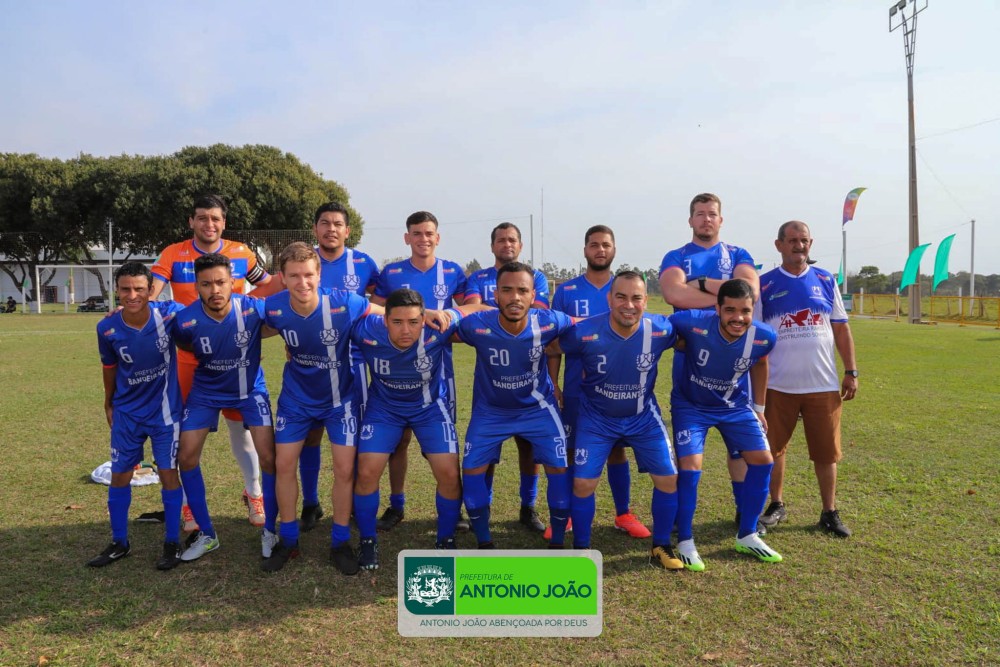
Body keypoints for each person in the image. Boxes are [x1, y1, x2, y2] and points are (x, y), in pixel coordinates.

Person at [150, 194, 280, 530]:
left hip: (236, 360)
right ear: (191, 221)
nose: (209, 224)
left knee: (242, 431)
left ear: (224, 222)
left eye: (216, 218)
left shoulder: (242, 253)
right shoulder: (173, 253)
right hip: (190, 362)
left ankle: (254, 494)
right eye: (202, 218)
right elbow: (152, 293)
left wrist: (246, 319)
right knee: (184, 438)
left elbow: (268, 284)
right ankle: (188, 506)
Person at [548, 270, 682, 569]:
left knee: (669, 479)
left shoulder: (660, 330)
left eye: (636, 298)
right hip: (596, 419)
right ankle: (581, 550)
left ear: (646, 301)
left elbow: (688, 341)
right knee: (583, 484)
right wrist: (551, 382)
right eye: (621, 297)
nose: (628, 305)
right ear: (609, 299)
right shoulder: (584, 331)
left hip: (642, 416)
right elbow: (552, 347)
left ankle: (661, 546)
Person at [261, 242, 379, 574]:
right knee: (284, 464)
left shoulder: (343, 302)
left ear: (319, 275)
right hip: (296, 401)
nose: (302, 283)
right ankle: (289, 539)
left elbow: (387, 313)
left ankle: (340, 541)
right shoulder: (273, 307)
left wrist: (430, 315)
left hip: (340, 402)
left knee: (344, 469)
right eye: (294, 276)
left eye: (308, 275)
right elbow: (245, 323)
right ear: (283, 278)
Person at [351, 289, 483, 570]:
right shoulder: (366, 330)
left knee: (449, 471)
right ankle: (368, 540)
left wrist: (509, 312)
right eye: (397, 322)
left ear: (424, 319)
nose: (406, 330)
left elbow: (474, 309)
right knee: (367, 471)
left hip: (429, 408)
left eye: (413, 322)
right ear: (385, 320)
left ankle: (445, 540)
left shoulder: (437, 328)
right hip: (384, 409)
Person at [658, 192, 762, 529]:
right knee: (689, 452)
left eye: (712, 213)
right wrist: (728, 296)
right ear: (690, 220)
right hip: (690, 359)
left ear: (721, 219)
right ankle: (682, 515)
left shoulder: (738, 254)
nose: (706, 219)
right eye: (700, 213)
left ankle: (743, 510)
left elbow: (749, 292)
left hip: (733, 362)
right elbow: (674, 293)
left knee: (739, 448)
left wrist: (701, 284)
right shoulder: (676, 256)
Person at [457, 262, 574, 548]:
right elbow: (448, 325)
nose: (515, 297)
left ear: (533, 295)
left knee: (559, 468)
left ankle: (557, 544)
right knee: (471, 470)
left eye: (522, 291)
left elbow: (585, 325)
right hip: (491, 411)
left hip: (537, 409)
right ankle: (484, 544)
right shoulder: (477, 325)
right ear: (495, 295)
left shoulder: (548, 321)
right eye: (507, 290)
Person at [170, 253, 279, 563]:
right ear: (196, 286)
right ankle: (207, 534)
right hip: (206, 391)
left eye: (220, 282)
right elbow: (185, 343)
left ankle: (270, 530)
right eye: (206, 284)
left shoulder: (253, 309)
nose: (214, 290)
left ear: (233, 282)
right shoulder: (186, 321)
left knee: (269, 457)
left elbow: (287, 318)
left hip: (249, 391)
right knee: (186, 456)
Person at [669, 279, 781, 570]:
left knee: (763, 461)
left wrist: (759, 409)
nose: (738, 318)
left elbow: (760, 362)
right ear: (717, 308)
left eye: (745, 311)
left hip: (735, 406)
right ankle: (685, 540)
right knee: (691, 467)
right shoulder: (691, 321)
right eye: (730, 310)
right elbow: (658, 332)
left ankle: (747, 534)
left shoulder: (764, 336)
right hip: (691, 406)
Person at [755, 221, 857, 537]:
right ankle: (776, 504)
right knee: (773, 450)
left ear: (810, 243)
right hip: (778, 385)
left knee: (826, 453)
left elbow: (841, 328)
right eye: (792, 240)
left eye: (804, 240)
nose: (799, 246)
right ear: (779, 245)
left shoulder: (825, 280)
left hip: (823, 384)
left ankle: (829, 511)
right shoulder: (764, 284)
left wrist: (851, 371)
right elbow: (756, 337)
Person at [549, 224, 650, 540]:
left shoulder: (623, 290)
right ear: (585, 250)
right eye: (594, 245)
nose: (600, 250)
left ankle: (623, 513)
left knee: (617, 451)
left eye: (606, 245)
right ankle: (567, 515)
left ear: (614, 250)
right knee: (570, 450)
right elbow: (554, 343)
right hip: (576, 389)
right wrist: (553, 383)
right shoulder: (566, 291)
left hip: (617, 390)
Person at [371, 211, 468, 531]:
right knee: (398, 442)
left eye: (429, 233)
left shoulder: (453, 271)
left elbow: (472, 307)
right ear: (407, 238)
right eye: (416, 233)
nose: (423, 239)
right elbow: (375, 311)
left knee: (443, 445)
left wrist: (447, 315)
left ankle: (453, 509)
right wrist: (418, 315)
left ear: (437, 238)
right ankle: (396, 504)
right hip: (397, 368)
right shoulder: (392, 272)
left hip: (439, 372)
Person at [87, 262, 186, 570]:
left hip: (164, 413)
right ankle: (119, 542)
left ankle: (172, 542)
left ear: (150, 290)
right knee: (120, 474)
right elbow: (109, 367)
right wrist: (108, 403)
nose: (132, 295)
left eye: (139, 289)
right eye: (126, 289)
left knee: (168, 474)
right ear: (117, 290)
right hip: (127, 412)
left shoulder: (169, 314)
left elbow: (204, 317)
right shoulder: (106, 328)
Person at [295, 202, 381, 533]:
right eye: (324, 223)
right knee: (311, 434)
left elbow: (379, 305)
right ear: (315, 229)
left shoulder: (364, 263)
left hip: (353, 363)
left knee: (352, 436)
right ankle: (311, 502)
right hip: (311, 364)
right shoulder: (305, 262)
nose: (331, 229)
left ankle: (355, 503)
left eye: (337, 224)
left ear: (347, 230)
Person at [464, 221, 549, 533]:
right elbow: (470, 309)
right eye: (501, 240)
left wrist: (494, 309)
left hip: (528, 375)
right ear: (492, 246)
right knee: (487, 451)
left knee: (529, 448)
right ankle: (482, 507)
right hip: (491, 380)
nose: (507, 244)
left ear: (520, 245)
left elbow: (536, 312)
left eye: (512, 240)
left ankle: (528, 506)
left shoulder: (537, 276)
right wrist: (503, 309)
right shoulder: (478, 277)